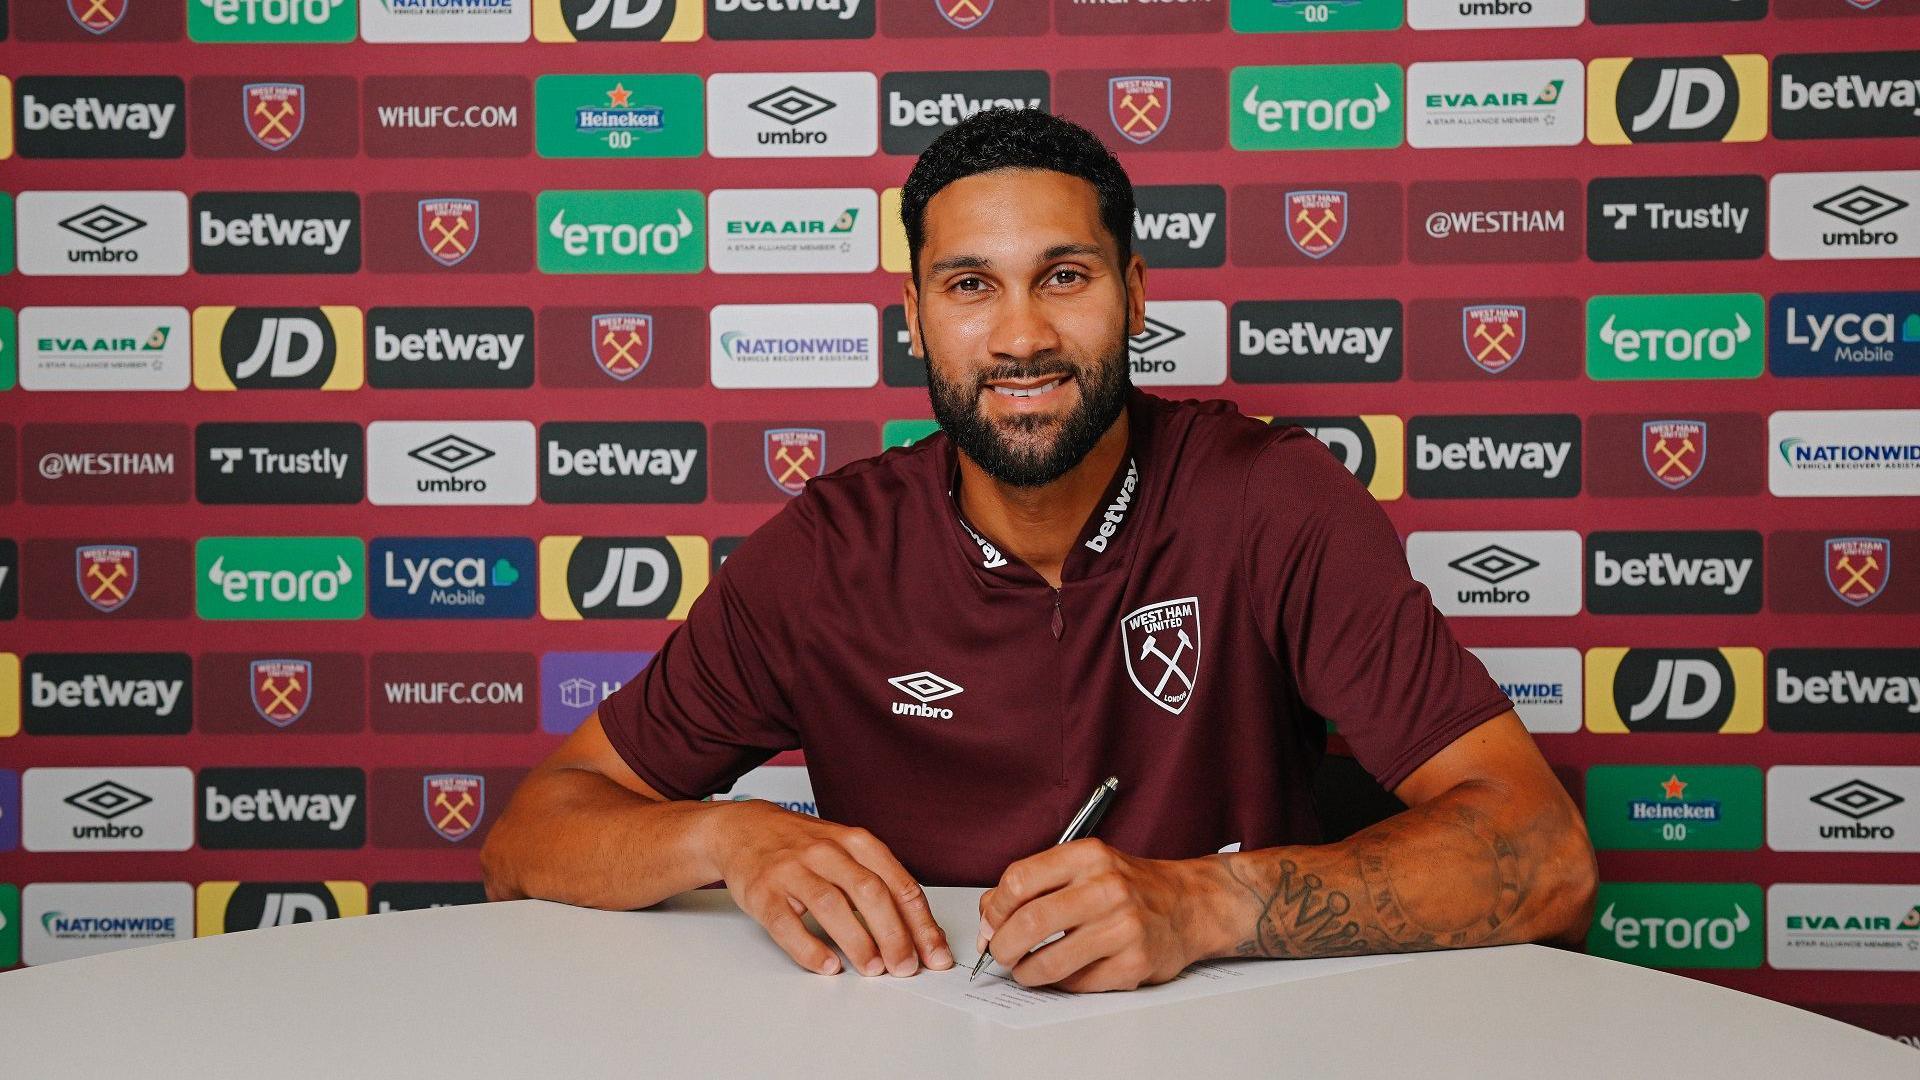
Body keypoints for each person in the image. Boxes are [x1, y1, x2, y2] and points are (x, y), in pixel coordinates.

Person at [483, 108, 1597, 993]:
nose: (1021, 336)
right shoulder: (827, 552)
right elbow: (531, 836)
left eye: (1064, 275)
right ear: (913, 316)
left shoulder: (1271, 500)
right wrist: (730, 838)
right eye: (971, 286)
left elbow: (1546, 855)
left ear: (1137, 295)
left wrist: (1200, 908)